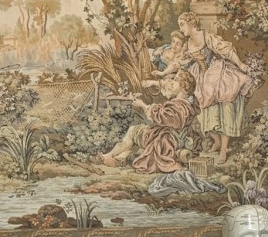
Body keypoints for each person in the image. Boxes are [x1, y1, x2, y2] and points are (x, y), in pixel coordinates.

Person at [177, 11, 253, 166]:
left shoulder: (206, 36)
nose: (181, 29)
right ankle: (216, 141)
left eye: (182, 24)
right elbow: (180, 62)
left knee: (224, 110)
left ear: (191, 23)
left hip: (216, 74)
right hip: (201, 76)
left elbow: (226, 50)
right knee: (203, 111)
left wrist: (240, 64)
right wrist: (164, 72)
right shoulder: (187, 44)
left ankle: (224, 149)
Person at [100, 69, 200, 173]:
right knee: (140, 133)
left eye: (175, 80)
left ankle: (109, 155)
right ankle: (119, 159)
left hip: (166, 141)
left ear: (183, 87)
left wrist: (143, 105)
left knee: (133, 130)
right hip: (177, 139)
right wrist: (153, 84)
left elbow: (163, 116)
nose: (171, 82)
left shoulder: (178, 106)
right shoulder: (189, 103)